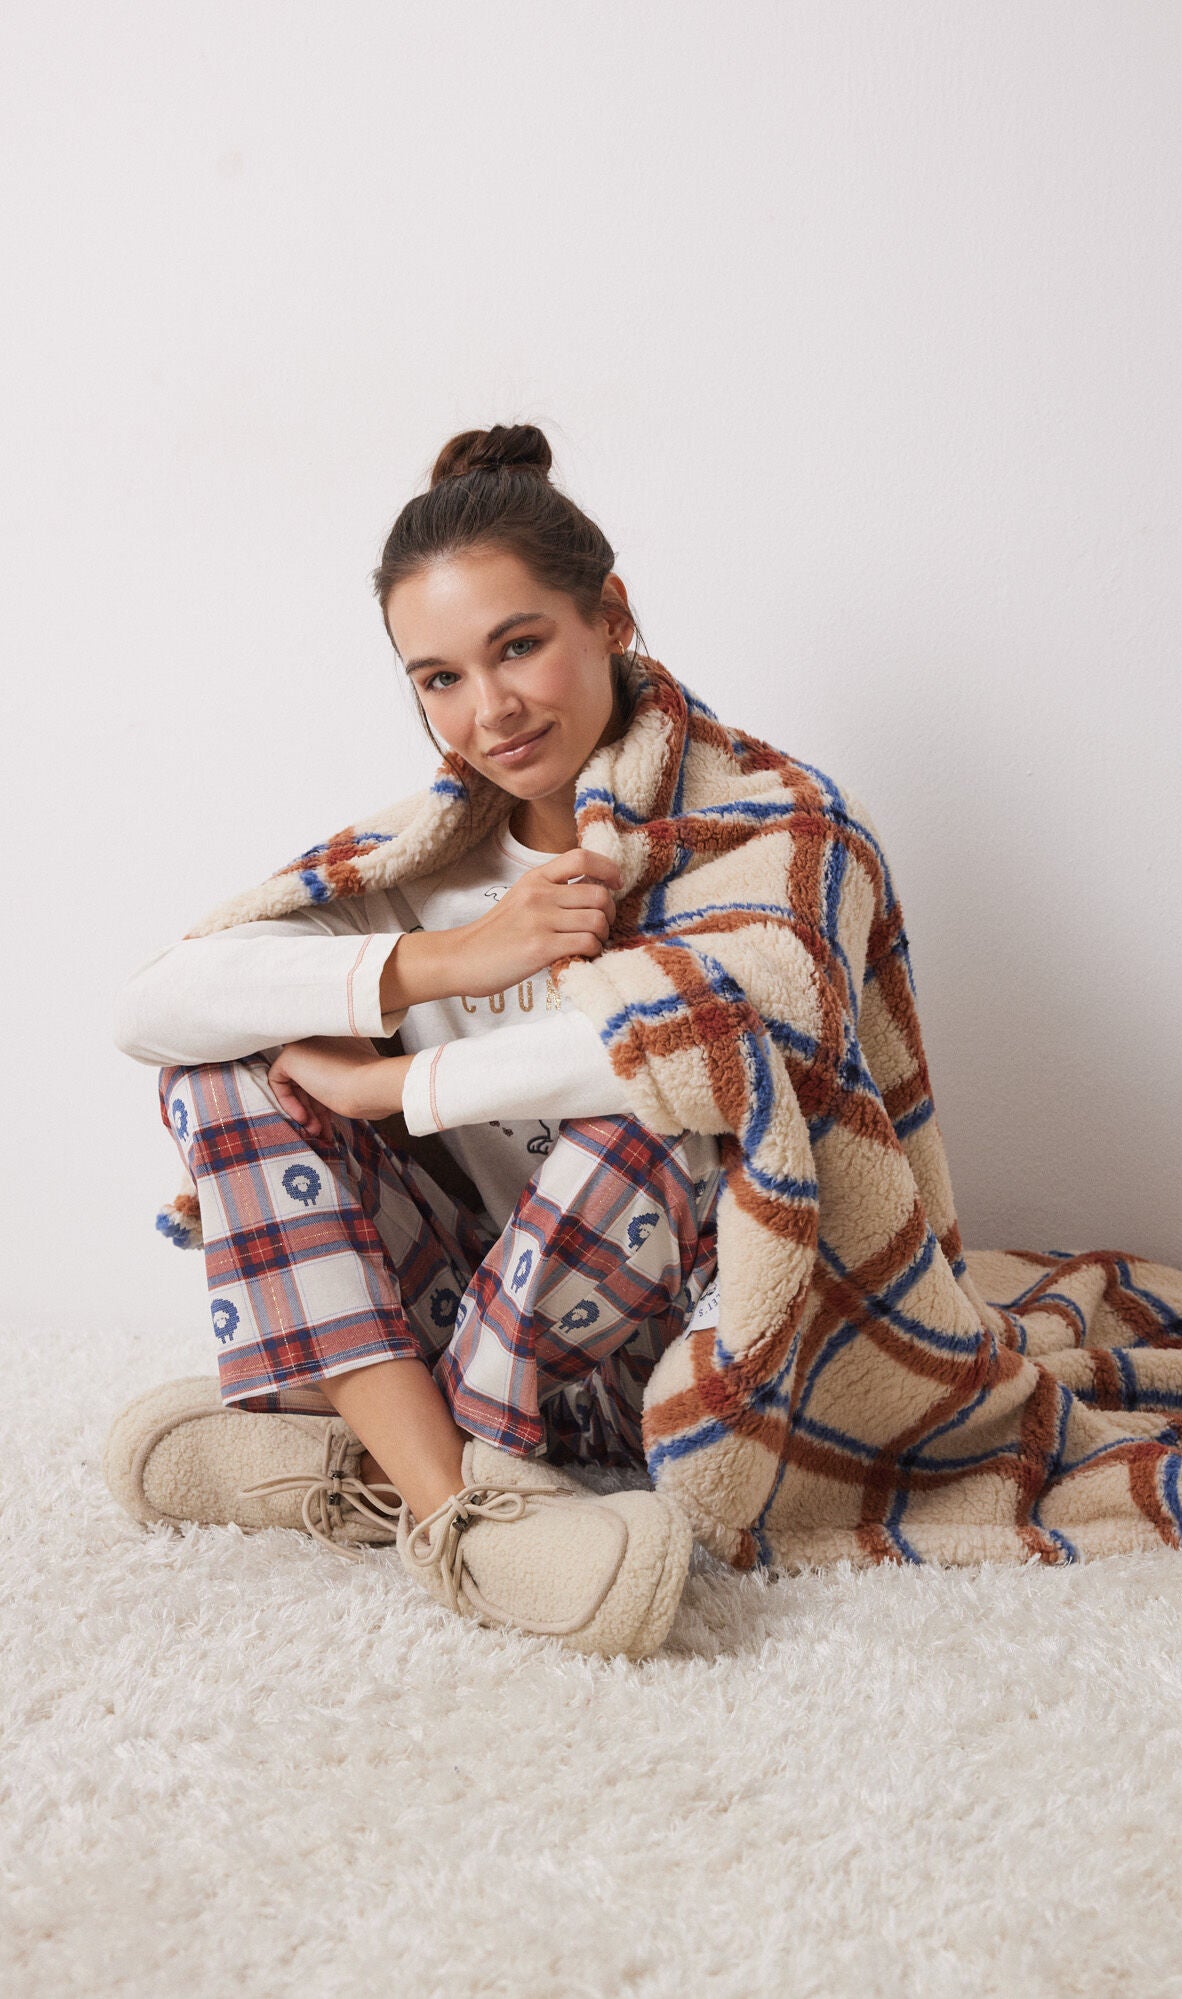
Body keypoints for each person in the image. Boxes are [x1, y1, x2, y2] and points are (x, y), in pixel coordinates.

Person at [105, 423, 726, 1660]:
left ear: (609, 614)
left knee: (644, 1109)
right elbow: (151, 1008)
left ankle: (356, 1463)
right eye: (438, 677)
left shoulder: (752, 829)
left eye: (519, 647)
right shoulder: (425, 865)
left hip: (680, 1343)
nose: (487, 710)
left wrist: (397, 1078)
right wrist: (446, 958)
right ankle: (462, 1513)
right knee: (226, 1063)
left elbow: (687, 1060)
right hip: (477, 1323)